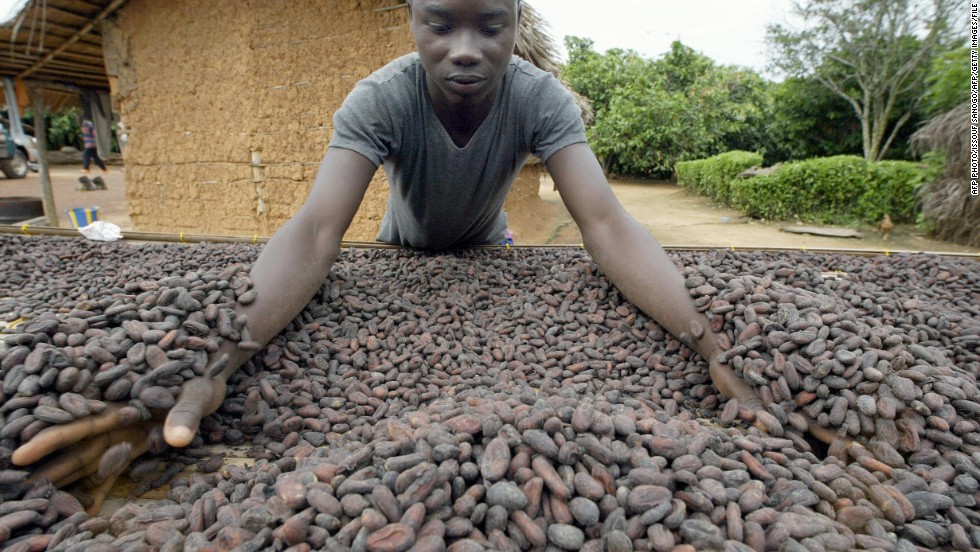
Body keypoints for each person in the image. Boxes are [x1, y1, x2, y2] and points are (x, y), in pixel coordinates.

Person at [14, 0, 773, 505]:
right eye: (440, 24)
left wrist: (708, 339)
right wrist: (217, 356)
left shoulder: (540, 98)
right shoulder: (382, 96)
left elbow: (605, 223)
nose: (466, 51)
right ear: (411, 18)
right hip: (396, 258)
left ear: (515, 21)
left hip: (490, 256)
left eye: (491, 27)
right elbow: (317, 232)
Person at [78, 115, 108, 191]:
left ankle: (86, 168)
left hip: (91, 143)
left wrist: (95, 140)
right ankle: (104, 169)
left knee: (86, 155)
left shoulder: (88, 124)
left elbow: (94, 132)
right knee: (96, 157)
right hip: (88, 143)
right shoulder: (83, 124)